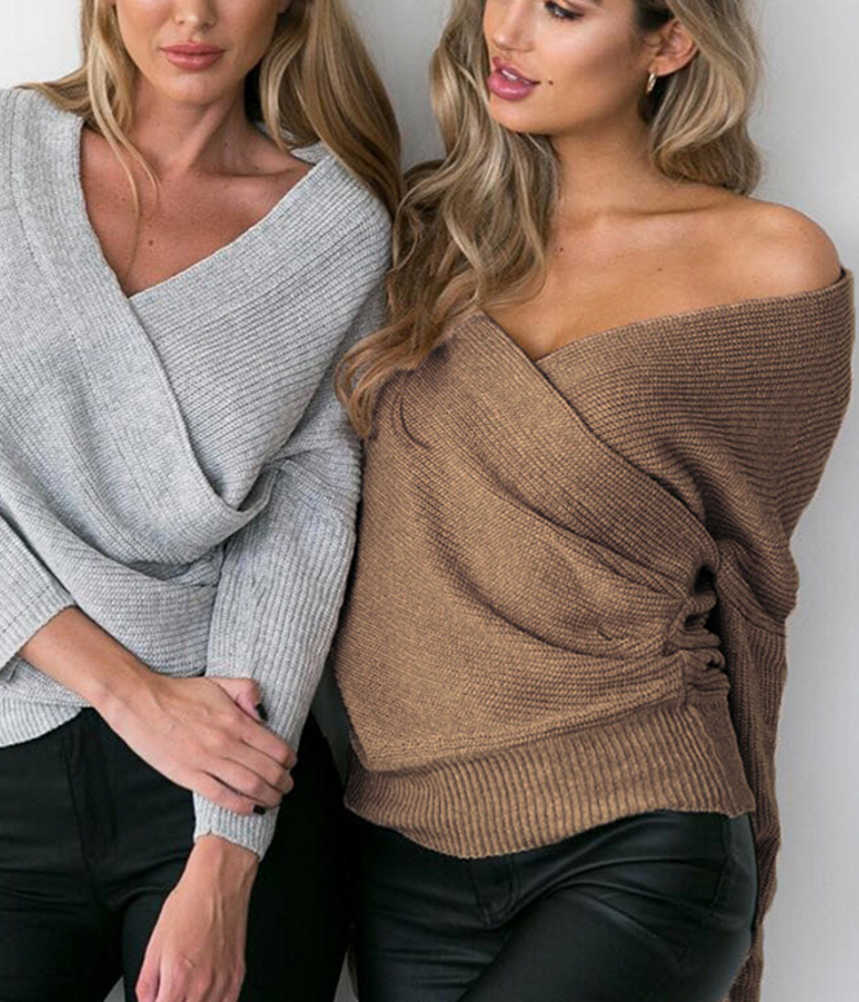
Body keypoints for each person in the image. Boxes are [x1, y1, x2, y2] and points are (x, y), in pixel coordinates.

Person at [0, 1, 399, 1001]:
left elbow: (301, 534)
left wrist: (226, 860)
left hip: (219, 789)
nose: (192, 14)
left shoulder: (337, 231)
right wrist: (128, 693)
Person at [332, 1, 853, 1001]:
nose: (507, 30)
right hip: (403, 842)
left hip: (636, 823)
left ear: (669, 41)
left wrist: (761, 840)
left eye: (564, 8)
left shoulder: (769, 260)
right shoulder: (425, 239)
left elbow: (752, 580)